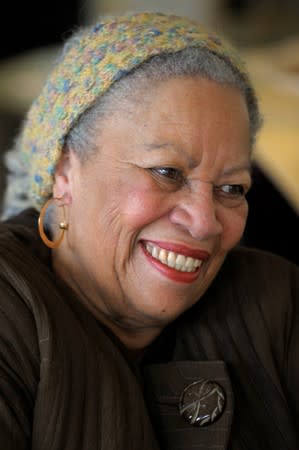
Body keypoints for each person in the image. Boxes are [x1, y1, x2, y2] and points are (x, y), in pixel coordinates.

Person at [0, 11, 298, 450]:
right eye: (166, 172)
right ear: (65, 169)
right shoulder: (11, 315)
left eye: (232, 188)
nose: (205, 221)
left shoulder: (278, 301)